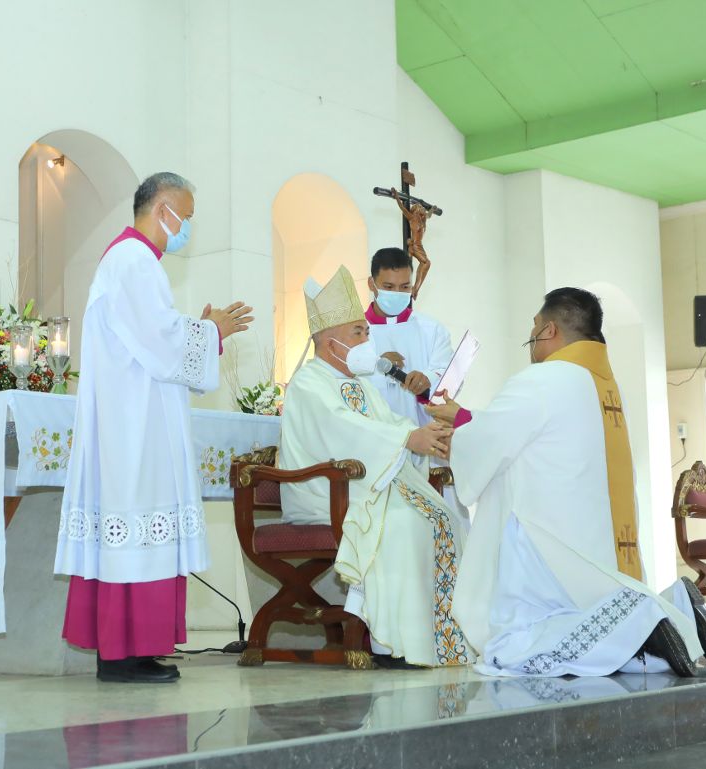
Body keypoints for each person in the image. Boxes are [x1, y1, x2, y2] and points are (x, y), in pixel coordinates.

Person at [427, 288, 706, 678]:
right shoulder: (602, 384)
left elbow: (493, 441)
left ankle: (646, 615)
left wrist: (457, 436)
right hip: (594, 538)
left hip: (546, 540)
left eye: (534, 330)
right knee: (611, 646)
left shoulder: (543, 378)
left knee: (511, 647)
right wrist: (466, 421)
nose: (532, 341)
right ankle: (676, 609)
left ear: (549, 329)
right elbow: (517, 434)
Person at [54, 172, 254, 683]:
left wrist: (201, 330)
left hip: (136, 419)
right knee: (135, 525)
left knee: (140, 531)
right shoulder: (133, 260)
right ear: (162, 207)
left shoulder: (133, 262)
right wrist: (211, 331)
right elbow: (164, 344)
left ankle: (135, 649)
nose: (186, 225)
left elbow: (156, 339)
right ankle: (120, 656)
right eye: (184, 214)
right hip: (132, 430)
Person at [278, 265, 470, 669]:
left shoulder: (361, 382)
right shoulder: (310, 382)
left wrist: (424, 436)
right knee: (401, 524)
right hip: (325, 492)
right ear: (331, 344)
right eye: (359, 333)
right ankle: (393, 645)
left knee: (444, 517)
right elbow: (344, 430)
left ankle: (440, 640)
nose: (368, 339)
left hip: (366, 487)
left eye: (365, 331)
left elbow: (387, 424)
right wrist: (405, 440)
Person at [364, 247, 454, 427]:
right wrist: (375, 368)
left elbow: (450, 376)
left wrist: (428, 379)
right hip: (374, 437)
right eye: (389, 287)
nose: (397, 293)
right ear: (371, 284)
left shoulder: (432, 330)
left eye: (405, 287)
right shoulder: (353, 333)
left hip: (423, 436)